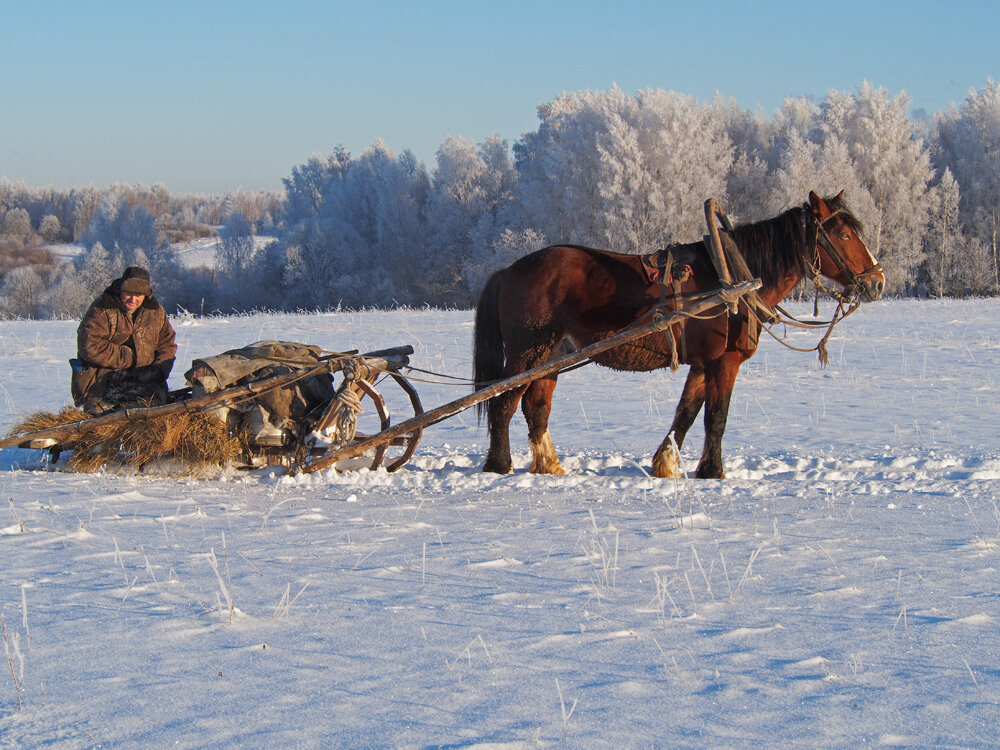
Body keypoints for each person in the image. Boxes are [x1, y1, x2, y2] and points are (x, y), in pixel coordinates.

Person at [71, 266, 178, 414]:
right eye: (128, 293)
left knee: (157, 405)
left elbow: (167, 345)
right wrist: (130, 357)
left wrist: (157, 371)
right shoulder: (102, 309)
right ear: (120, 289)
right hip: (101, 382)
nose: (133, 299)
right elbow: (89, 345)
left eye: (138, 294)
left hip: (143, 381)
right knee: (105, 419)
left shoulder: (156, 313)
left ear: (146, 295)